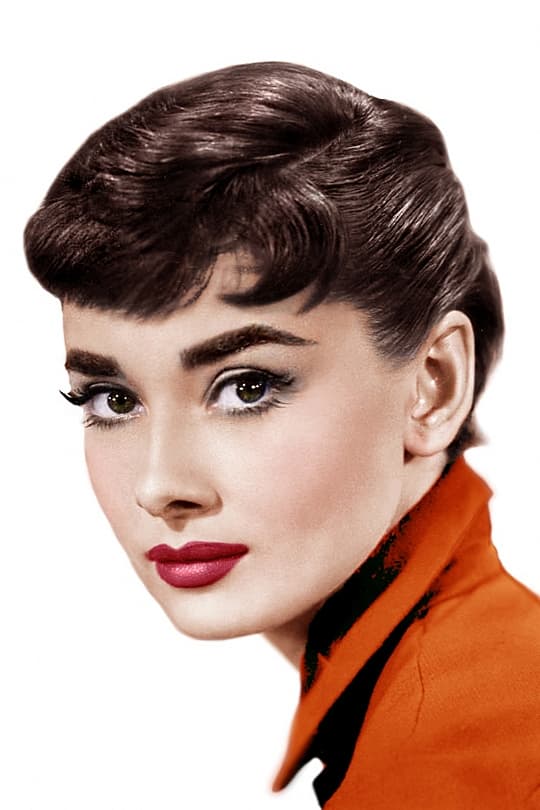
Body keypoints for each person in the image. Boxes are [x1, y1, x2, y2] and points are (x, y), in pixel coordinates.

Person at [24, 62, 539, 808]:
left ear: (434, 385)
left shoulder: (461, 756)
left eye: (247, 388)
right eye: (113, 399)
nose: (160, 486)